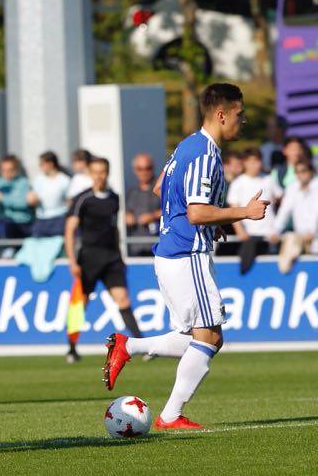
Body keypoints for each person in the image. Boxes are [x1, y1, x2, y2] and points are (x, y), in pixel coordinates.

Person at [103, 83, 268, 430]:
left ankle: (128, 346)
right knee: (210, 337)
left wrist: (213, 221)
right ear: (221, 115)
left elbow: (161, 188)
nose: (244, 120)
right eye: (240, 114)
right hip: (186, 253)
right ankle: (170, 414)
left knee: (202, 336)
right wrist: (243, 213)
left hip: (173, 252)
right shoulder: (205, 153)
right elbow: (195, 212)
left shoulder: (185, 146)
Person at [64, 157, 142, 363]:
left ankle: (141, 344)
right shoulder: (83, 199)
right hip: (89, 257)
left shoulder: (114, 198)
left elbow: (114, 227)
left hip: (111, 257)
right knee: (80, 304)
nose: (99, 176)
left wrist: (120, 255)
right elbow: (70, 230)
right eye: (95, 172)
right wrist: (72, 261)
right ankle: (71, 348)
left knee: (123, 299)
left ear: (107, 173)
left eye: (103, 172)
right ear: (90, 173)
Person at [271, 161, 318, 269]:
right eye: (297, 172)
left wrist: (312, 230)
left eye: (303, 171)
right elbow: (284, 210)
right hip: (300, 238)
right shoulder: (292, 188)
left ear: (311, 172)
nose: (300, 174)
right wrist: (276, 230)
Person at [227, 149, 280, 258]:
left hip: (271, 235)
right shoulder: (237, 183)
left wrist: (278, 229)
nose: (256, 165)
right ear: (245, 162)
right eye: (252, 161)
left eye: (258, 161)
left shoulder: (269, 179)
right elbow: (233, 210)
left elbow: (281, 204)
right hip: (249, 236)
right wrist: (240, 231)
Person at [0, 154, 34, 251]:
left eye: (10, 170)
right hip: (6, 227)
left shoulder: (23, 183)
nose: (7, 173)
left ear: (16, 169)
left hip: (24, 224)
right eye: (4, 170)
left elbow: (24, 203)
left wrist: (3, 198)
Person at [125, 153, 162, 257]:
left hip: (158, 245)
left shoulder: (161, 188)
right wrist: (127, 216)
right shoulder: (131, 191)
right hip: (136, 246)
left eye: (148, 168)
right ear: (135, 170)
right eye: (140, 169)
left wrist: (153, 216)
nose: (144, 172)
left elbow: (174, 209)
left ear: (153, 168)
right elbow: (125, 210)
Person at [28, 151, 71, 237]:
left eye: (42, 164)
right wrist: (32, 200)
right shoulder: (38, 179)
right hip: (41, 219)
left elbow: (69, 201)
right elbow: (33, 198)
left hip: (59, 220)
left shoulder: (64, 180)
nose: (40, 167)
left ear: (51, 164)